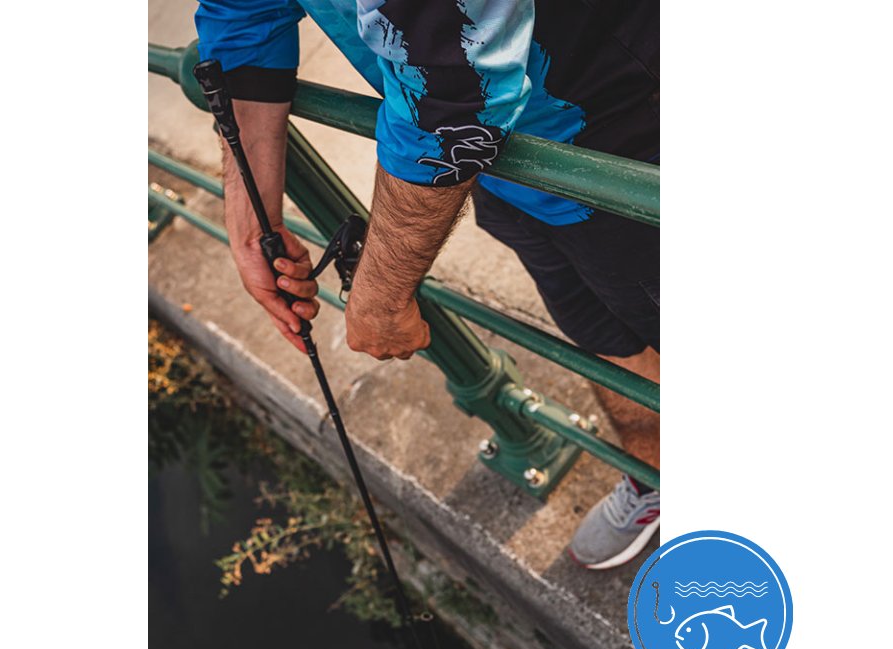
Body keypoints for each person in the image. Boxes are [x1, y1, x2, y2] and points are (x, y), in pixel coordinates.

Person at [194, 0, 659, 570]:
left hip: (630, 146)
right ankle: (654, 470)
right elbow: (242, 12)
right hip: (503, 164)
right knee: (602, 332)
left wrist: (382, 295)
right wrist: (250, 217)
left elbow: (457, 84)